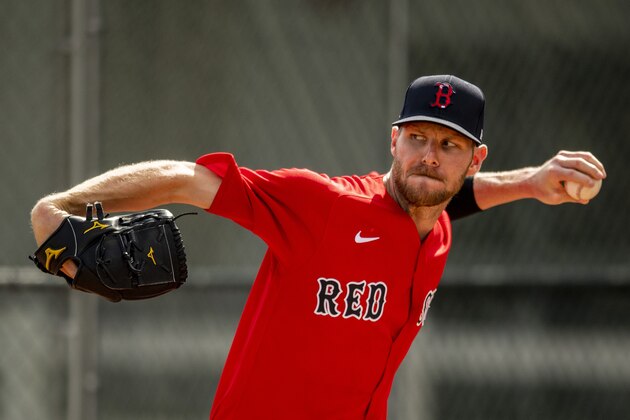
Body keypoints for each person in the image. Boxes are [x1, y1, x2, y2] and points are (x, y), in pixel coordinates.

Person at [30, 75, 606, 419]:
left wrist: (531, 183)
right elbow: (185, 179)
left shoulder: (437, 229)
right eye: (417, 138)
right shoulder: (325, 206)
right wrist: (59, 207)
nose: (428, 156)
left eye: (449, 145)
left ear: (475, 158)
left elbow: (451, 200)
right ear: (394, 140)